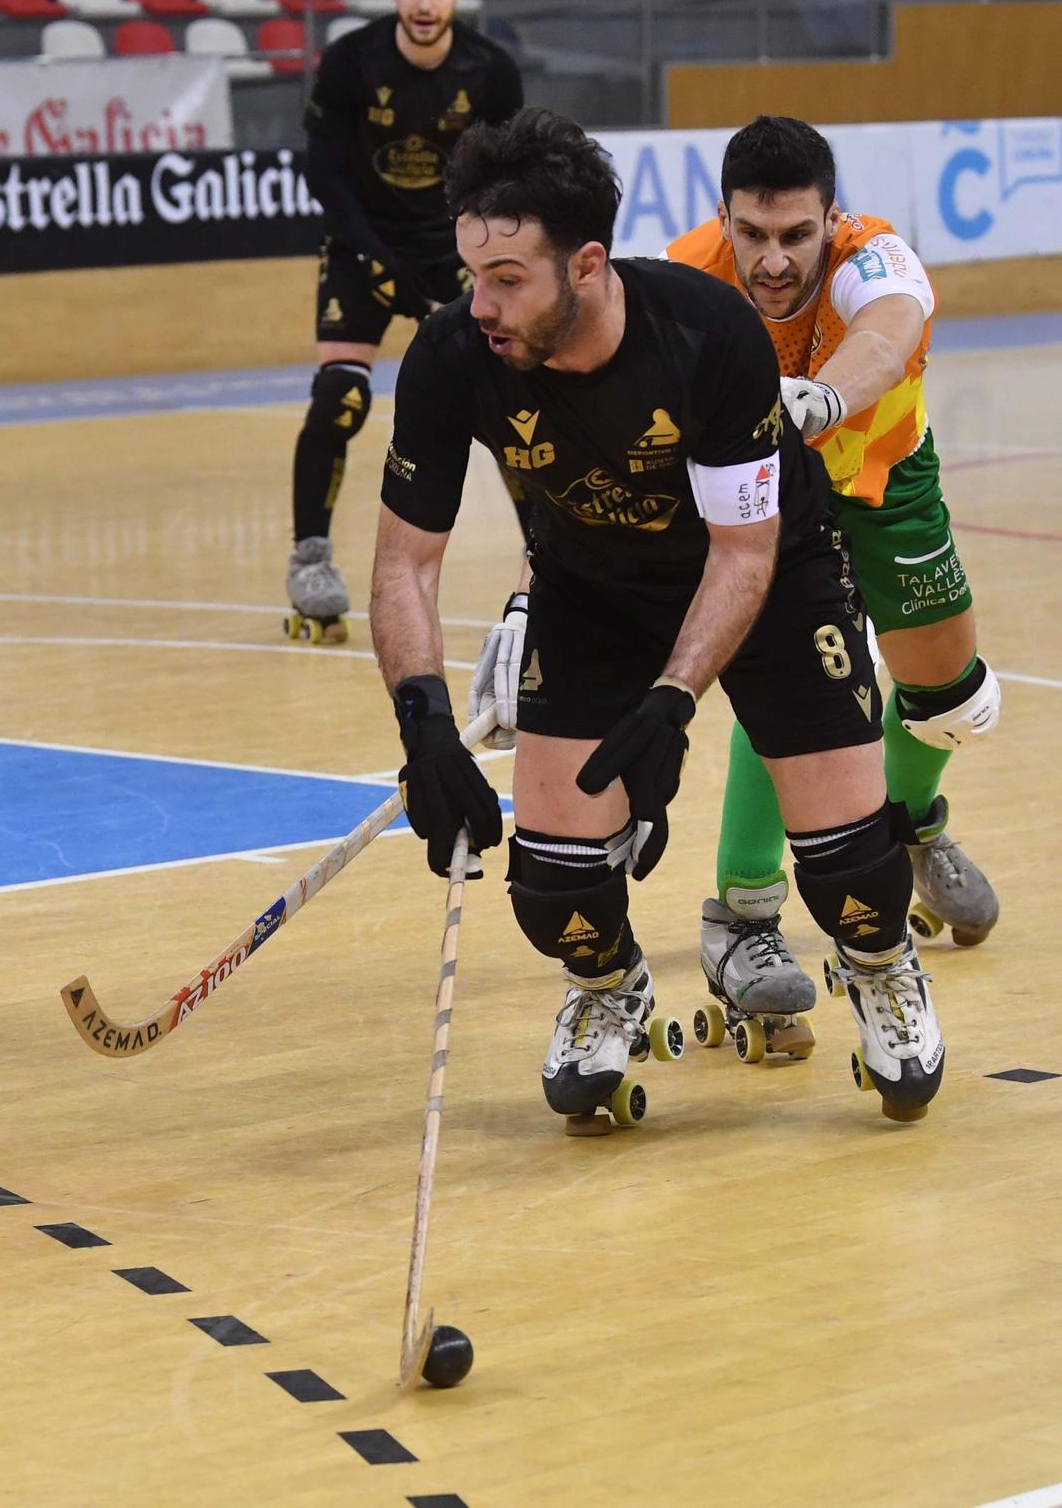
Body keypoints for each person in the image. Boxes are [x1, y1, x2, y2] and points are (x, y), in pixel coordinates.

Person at [374, 107, 944, 1131]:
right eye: (472, 273)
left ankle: (880, 966)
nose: (480, 303)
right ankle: (608, 989)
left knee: (849, 863)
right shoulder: (454, 351)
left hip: (771, 576)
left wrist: (673, 699)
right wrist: (417, 721)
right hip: (591, 587)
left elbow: (742, 553)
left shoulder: (702, 334)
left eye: (508, 279)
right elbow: (403, 564)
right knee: (549, 885)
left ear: (584, 265)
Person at [657, 117, 998, 1019]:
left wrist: (825, 396)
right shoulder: (682, 281)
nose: (773, 260)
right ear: (723, 217)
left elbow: (887, 334)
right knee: (786, 680)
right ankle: (743, 910)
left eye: (796, 235)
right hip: (767, 496)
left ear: (830, 219)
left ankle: (909, 824)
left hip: (885, 477)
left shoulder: (874, 259)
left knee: (954, 698)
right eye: (753, 234)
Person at [285, 0, 521, 643]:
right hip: (363, 247)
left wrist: (476, 255)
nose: (424, 3)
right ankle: (310, 560)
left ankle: (551, 555)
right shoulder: (353, 61)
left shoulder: (491, 69)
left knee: (511, 396)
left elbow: (507, 175)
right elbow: (322, 172)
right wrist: (381, 259)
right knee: (341, 396)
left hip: (452, 253)